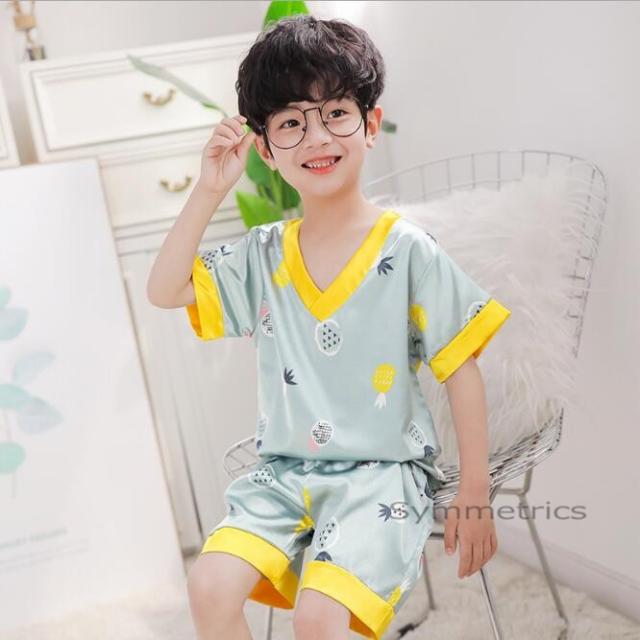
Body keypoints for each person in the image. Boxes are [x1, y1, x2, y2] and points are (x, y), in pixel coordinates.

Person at [147, 14, 511, 640]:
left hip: (382, 476)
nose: (316, 137)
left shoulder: (409, 250)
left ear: (369, 125)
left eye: (335, 113)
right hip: (284, 474)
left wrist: (474, 493)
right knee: (207, 585)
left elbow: (461, 369)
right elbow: (164, 290)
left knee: (318, 619)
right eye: (291, 122)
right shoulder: (262, 255)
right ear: (265, 149)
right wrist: (208, 190)